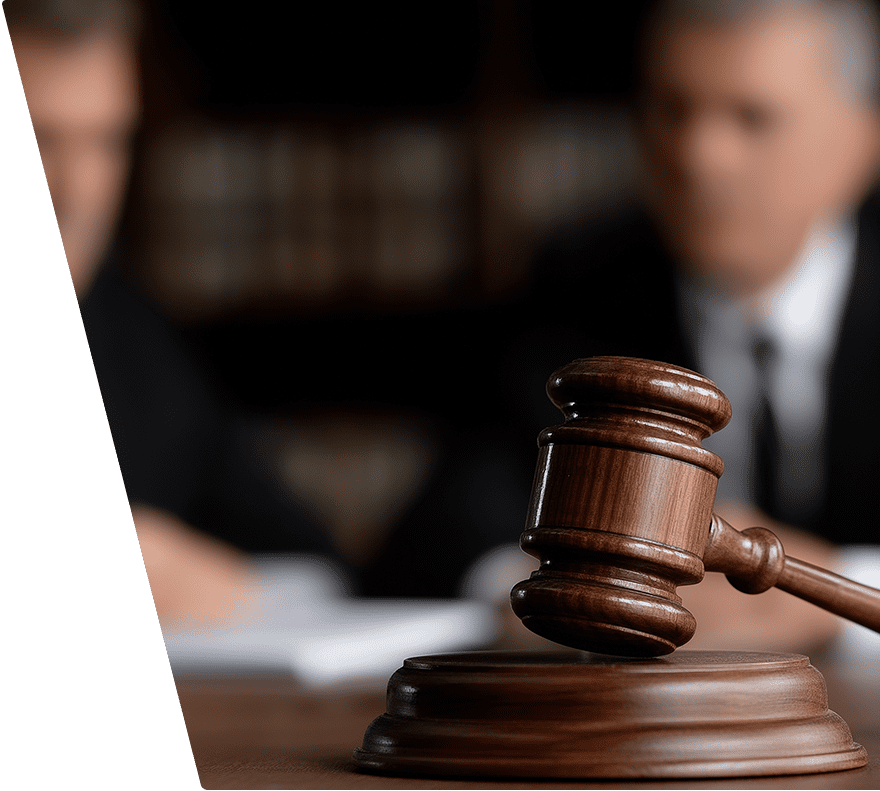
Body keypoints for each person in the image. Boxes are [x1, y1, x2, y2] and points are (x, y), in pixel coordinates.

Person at [494, 0, 880, 652]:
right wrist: (546, 583)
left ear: (862, 140)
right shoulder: (577, 284)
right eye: (671, 110)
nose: (699, 156)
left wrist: (831, 589)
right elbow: (453, 519)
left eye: (752, 118)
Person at [6, 0, 348, 629]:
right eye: (35, 141)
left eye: (109, 141)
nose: (78, 192)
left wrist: (208, 584)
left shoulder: (131, 336)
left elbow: (312, 572)